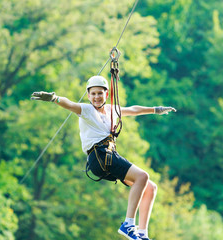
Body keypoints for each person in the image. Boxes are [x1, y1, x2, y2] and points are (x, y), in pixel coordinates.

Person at [31, 75, 176, 240]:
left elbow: (134, 110)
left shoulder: (111, 110)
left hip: (109, 155)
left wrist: (156, 109)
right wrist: (53, 98)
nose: (96, 97)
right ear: (88, 95)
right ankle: (128, 224)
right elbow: (69, 104)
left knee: (150, 188)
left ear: (106, 95)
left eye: (100, 93)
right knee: (142, 176)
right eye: (93, 94)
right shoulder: (86, 110)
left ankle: (142, 234)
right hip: (99, 156)